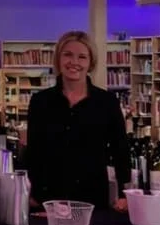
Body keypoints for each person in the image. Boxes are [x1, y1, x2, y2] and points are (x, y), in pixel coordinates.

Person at [23, 30, 132, 212]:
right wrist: (31, 192)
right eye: (68, 55)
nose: (74, 62)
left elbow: (120, 151)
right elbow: (34, 151)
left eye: (82, 57)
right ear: (58, 59)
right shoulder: (40, 102)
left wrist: (125, 194)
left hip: (92, 199)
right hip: (48, 200)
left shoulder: (107, 102)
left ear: (90, 63)